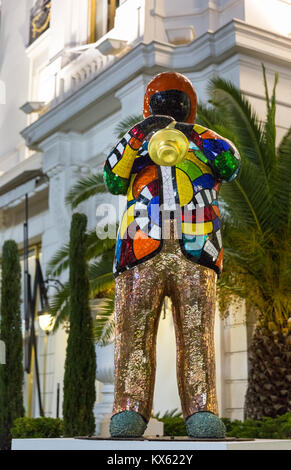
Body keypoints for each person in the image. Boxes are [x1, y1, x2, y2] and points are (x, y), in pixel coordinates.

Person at [104, 72, 241, 438]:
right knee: (133, 334)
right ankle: (129, 410)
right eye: (162, 103)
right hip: (140, 251)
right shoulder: (136, 148)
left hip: (196, 252)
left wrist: (193, 132)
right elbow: (112, 179)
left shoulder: (204, 145)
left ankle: (202, 410)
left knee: (198, 335)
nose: (170, 108)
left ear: (189, 107)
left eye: (177, 103)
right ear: (149, 107)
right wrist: (139, 133)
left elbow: (232, 163)